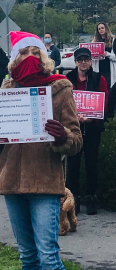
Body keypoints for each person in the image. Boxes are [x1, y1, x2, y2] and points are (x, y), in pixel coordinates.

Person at [0, 31, 82, 269]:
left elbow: (77, 141)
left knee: (48, 257)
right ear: (14, 59)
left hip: (44, 182)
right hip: (12, 182)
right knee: (27, 256)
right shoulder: (7, 87)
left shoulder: (60, 88)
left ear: (45, 58)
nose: (29, 57)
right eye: (24, 52)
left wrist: (63, 136)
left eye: (35, 52)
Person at [66, 48, 108, 215]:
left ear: (91, 61)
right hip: (73, 128)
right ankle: (73, 198)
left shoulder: (99, 78)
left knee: (91, 165)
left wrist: (92, 118)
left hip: (92, 128)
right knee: (73, 165)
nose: (84, 62)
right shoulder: (67, 79)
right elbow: (63, 101)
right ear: (76, 61)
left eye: (86, 59)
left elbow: (103, 102)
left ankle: (91, 197)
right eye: (80, 59)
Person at [92, 22, 116, 89]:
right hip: (98, 70)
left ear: (106, 29)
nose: (101, 30)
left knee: (108, 88)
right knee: (99, 88)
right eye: (99, 29)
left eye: (102, 28)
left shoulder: (113, 40)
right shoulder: (95, 42)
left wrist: (108, 54)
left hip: (109, 70)